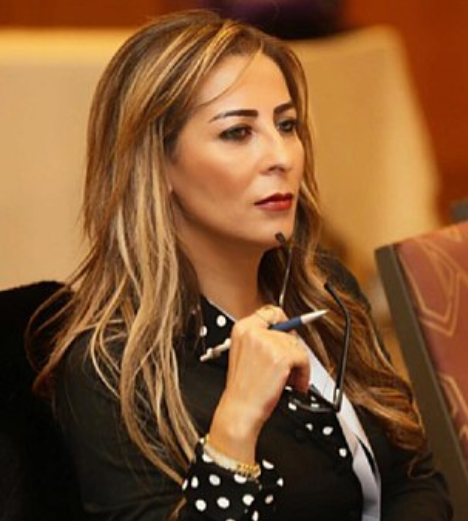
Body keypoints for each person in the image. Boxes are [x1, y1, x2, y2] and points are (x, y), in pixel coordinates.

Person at [32, 9, 452, 521]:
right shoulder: (111, 369)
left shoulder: (323, 286)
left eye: (286, 125)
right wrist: (237, 422)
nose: (282, 157)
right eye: (237, 133)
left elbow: (415, 476)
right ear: (156, 164)